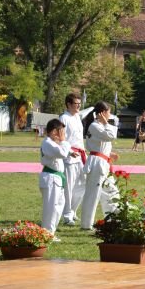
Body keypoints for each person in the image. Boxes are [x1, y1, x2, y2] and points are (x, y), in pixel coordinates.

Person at [80, 101, 119, 230]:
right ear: (102, 113)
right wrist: (106, 123)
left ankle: (114, 219)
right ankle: (87, 224)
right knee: (93, 193)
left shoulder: (99, 126)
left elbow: (102, 143)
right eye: (108, 112)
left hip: (102, 161)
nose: (109, 115)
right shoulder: (95, 126)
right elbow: (110, 136)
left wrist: (109, 153)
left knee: (111, 191)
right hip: (97, 163)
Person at [39, 119, 77, 241]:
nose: (63, 134)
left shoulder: (53, 143)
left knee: (58, 207)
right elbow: (60, 152)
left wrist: (71, 152)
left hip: (56, 178)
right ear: (54, 131)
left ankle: (51, 232)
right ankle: (46, 233)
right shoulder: (47, 143)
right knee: (51, 208)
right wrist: (65, 142)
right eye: (61, 131)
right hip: (50, 178)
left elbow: (62, 150)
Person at [59, 93, 86, 226]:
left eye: (80, 104)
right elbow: (61, 138)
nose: (79, 106)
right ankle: (67, 214)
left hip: (80, 155)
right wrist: (69, 152)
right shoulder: (64, 118)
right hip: (69, 156)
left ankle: (73, 210)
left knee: (82, 184)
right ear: (69, 104)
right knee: (68, 186)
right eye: (76, 104)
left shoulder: (77, 117)